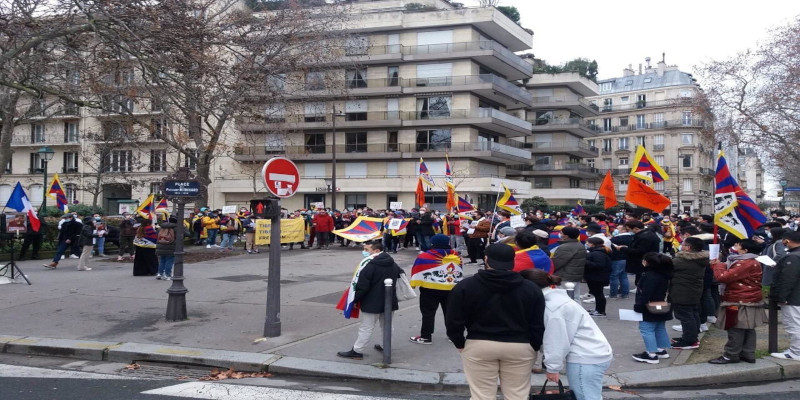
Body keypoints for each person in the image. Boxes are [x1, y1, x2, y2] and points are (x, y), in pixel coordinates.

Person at [445, 243, 545, 400]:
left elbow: (453, 319)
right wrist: (535, 345)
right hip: (520, 345)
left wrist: (459, 342)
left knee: (481, 395)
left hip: (479, 343)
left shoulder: (466, 286)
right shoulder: (531, 288)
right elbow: (537, 322)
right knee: (517, 394)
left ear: (486, 260)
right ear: (513, 261)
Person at [521, 269, 613, 400]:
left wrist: (552, 368)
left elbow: (556, 340)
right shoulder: (557, 299)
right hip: (593, 353)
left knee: (586, 397)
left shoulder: (551, 308)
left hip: (585, 357)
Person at [337, 242, 404, 360]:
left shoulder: (370, 265)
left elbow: (362, 286)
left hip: (372, 301)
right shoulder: (392, 263)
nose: (365, 252)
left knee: (366, 327)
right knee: (387, 325)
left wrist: (353, 299)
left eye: (367, 250)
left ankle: (357, 351)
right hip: (389, 300)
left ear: (377, 251)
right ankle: (386, 346)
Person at [708, 239, 766, 364]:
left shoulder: (745, 263)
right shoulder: (750, 261)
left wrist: (717, 265)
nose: (734, 247)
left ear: (745, 250)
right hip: (748, 298)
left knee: (735, 327)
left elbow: (723, 277)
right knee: (748, 328)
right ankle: (748, 353)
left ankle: (731, 355)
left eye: (737, 245)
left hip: (739, 299)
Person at [408, 234, 463, 345]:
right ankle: (453, 336)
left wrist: (414, 283)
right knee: (450, 312)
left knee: (428, 313)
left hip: (430, 288)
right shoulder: (456, 256)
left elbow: (417, 270)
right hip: (451, 288)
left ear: (433, 243)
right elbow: (459, 271)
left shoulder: (425, 256)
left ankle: (426, 337)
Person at [632, 252, 674, 364]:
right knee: (660, 327)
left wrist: (638, 306)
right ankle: (661, 350)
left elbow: (645, 293)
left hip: (649, 307)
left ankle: (651, 354)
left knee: (647, 330)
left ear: (648, 262)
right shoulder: (665, 274)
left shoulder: (649, 276)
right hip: (662, 306)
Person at [669, 237, 709, 349]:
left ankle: (689, 340)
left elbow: (667, 266)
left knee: (686, 316)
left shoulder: (683, 260)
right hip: (693, 291)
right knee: (692, 313)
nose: (681, 246)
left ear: (688, 247)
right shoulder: (700, 259)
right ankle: (691, 337)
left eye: (683, 244)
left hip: (683, 291)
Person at [770, 230, 800, 360]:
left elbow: (788, 279)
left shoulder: (793, 257)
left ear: (787, 240)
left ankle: (796, 352)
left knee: (793, 325)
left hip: (793, 297)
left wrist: (781, 297)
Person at [617, 220, 661, 287]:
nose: (629, 231)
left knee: (642, 283)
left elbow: (640, 251)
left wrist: (623, 249)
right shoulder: (647, 234)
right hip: (646, 262)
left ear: (636, 228)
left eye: (629, 229)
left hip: (644, 263)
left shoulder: (644, 237)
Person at [551, 226, 586, 301]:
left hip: (565, 276)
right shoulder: (579, 244)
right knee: (575, 297)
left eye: (561, 233)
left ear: (566, 236)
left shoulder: (565, 247)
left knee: (565, 299)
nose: (560, 234)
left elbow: (557, 262)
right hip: (575, 275)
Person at [584, 237, 611, 317]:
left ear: (592, 244)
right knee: (597, 293)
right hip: (595, 276)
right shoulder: (597, 252)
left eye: (588, 243)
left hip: (597, 277)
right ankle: (597, 309)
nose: (587, 244)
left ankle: (600, 311)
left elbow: (599, 265)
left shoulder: (597, 253)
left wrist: (585, 261)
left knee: (599, 294)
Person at [609, 224, 634, 299]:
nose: (616, 230)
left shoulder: (617, 238)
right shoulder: (632, 238)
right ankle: (625, 294)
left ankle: (613, 294)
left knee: (614, 276)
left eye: (618, 228)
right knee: (624, 276)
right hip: (626, 258)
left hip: (617, 259)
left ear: (623, 230)